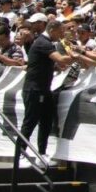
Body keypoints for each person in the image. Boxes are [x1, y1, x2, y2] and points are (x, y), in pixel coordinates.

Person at [21, 18, 71, 165]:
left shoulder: (47, 43)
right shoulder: (43, 43)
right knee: (30, 122)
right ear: (52, 30)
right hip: (34, 89)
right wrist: (76, 56)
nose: (62, 35)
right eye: (60, 32)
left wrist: (55, 67)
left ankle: (41, 153)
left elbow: (46, 63)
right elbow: (60, 59)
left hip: (44, 89)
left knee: (46, 122)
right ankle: (21, 153)